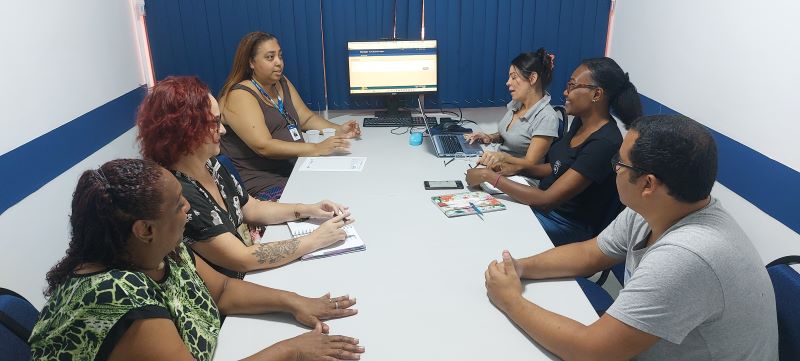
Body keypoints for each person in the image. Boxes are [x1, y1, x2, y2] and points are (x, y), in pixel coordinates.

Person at [484, 115, 778, 360]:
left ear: (648, 183)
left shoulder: (688, 255)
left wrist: (510, 299)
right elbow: (590, 254)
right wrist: (519, 268)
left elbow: (592, 352)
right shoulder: (656, 206)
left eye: (619, 163)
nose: (614, 169)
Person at [29, 159, 365, 361]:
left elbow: (221, 292)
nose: (187, 208)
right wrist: (291, 351)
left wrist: (293, 302)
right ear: (144, 229)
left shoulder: (158, 249)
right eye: (178, 205)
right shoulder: (115, 297)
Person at [137, 76, 354, 280]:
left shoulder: (213, 164)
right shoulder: (179, 193)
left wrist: (308, 209)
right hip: (230, 297)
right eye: (214, 123)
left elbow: (251, 208)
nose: (222, 130)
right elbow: (242, 259)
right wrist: (314, 240)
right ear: (185, 130)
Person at [466, 57, 642, 246]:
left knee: (488, 224)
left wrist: (489, 177)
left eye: (572, 85)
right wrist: (513, 169)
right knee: (480, 209)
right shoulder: (581, 123)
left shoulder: (605, 142)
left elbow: (546, 201)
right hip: (545, 208)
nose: (565, 92)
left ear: (596, 94)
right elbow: (557, 168)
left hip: (565, 224)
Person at [219, 31, 362, 200]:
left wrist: (338, 130)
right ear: (251, 62)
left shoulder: (280, 83)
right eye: (270, 57)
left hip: (291, 168)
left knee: (345, 189)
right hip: (261, 181)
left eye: (280, 56)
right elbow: (263, 146)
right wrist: (316, 148)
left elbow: (306, 118)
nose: (279, 63)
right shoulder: (240, 95)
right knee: (324, 201)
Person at [464, 49, 559, 177]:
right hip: (498, 169)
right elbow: (511, 136)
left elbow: (530, 163)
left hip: (520, 179)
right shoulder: (517, 104)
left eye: (514, 77)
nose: (508, 82)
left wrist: (502, 157)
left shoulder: (547, 117)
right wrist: (489, 137)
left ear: (532, 78)